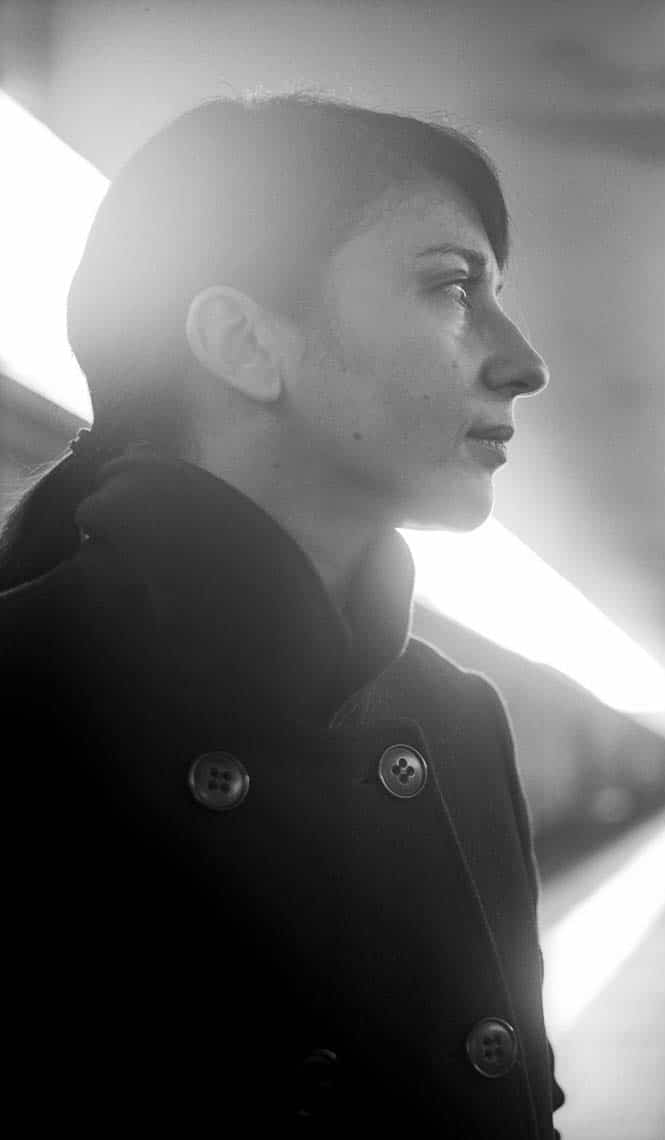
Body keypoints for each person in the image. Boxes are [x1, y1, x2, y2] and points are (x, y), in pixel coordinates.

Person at [0, 94, 562, 1134]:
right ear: (245, 342)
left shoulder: (460, 723)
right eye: (452, 285)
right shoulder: (22, 707)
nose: (523, 361)